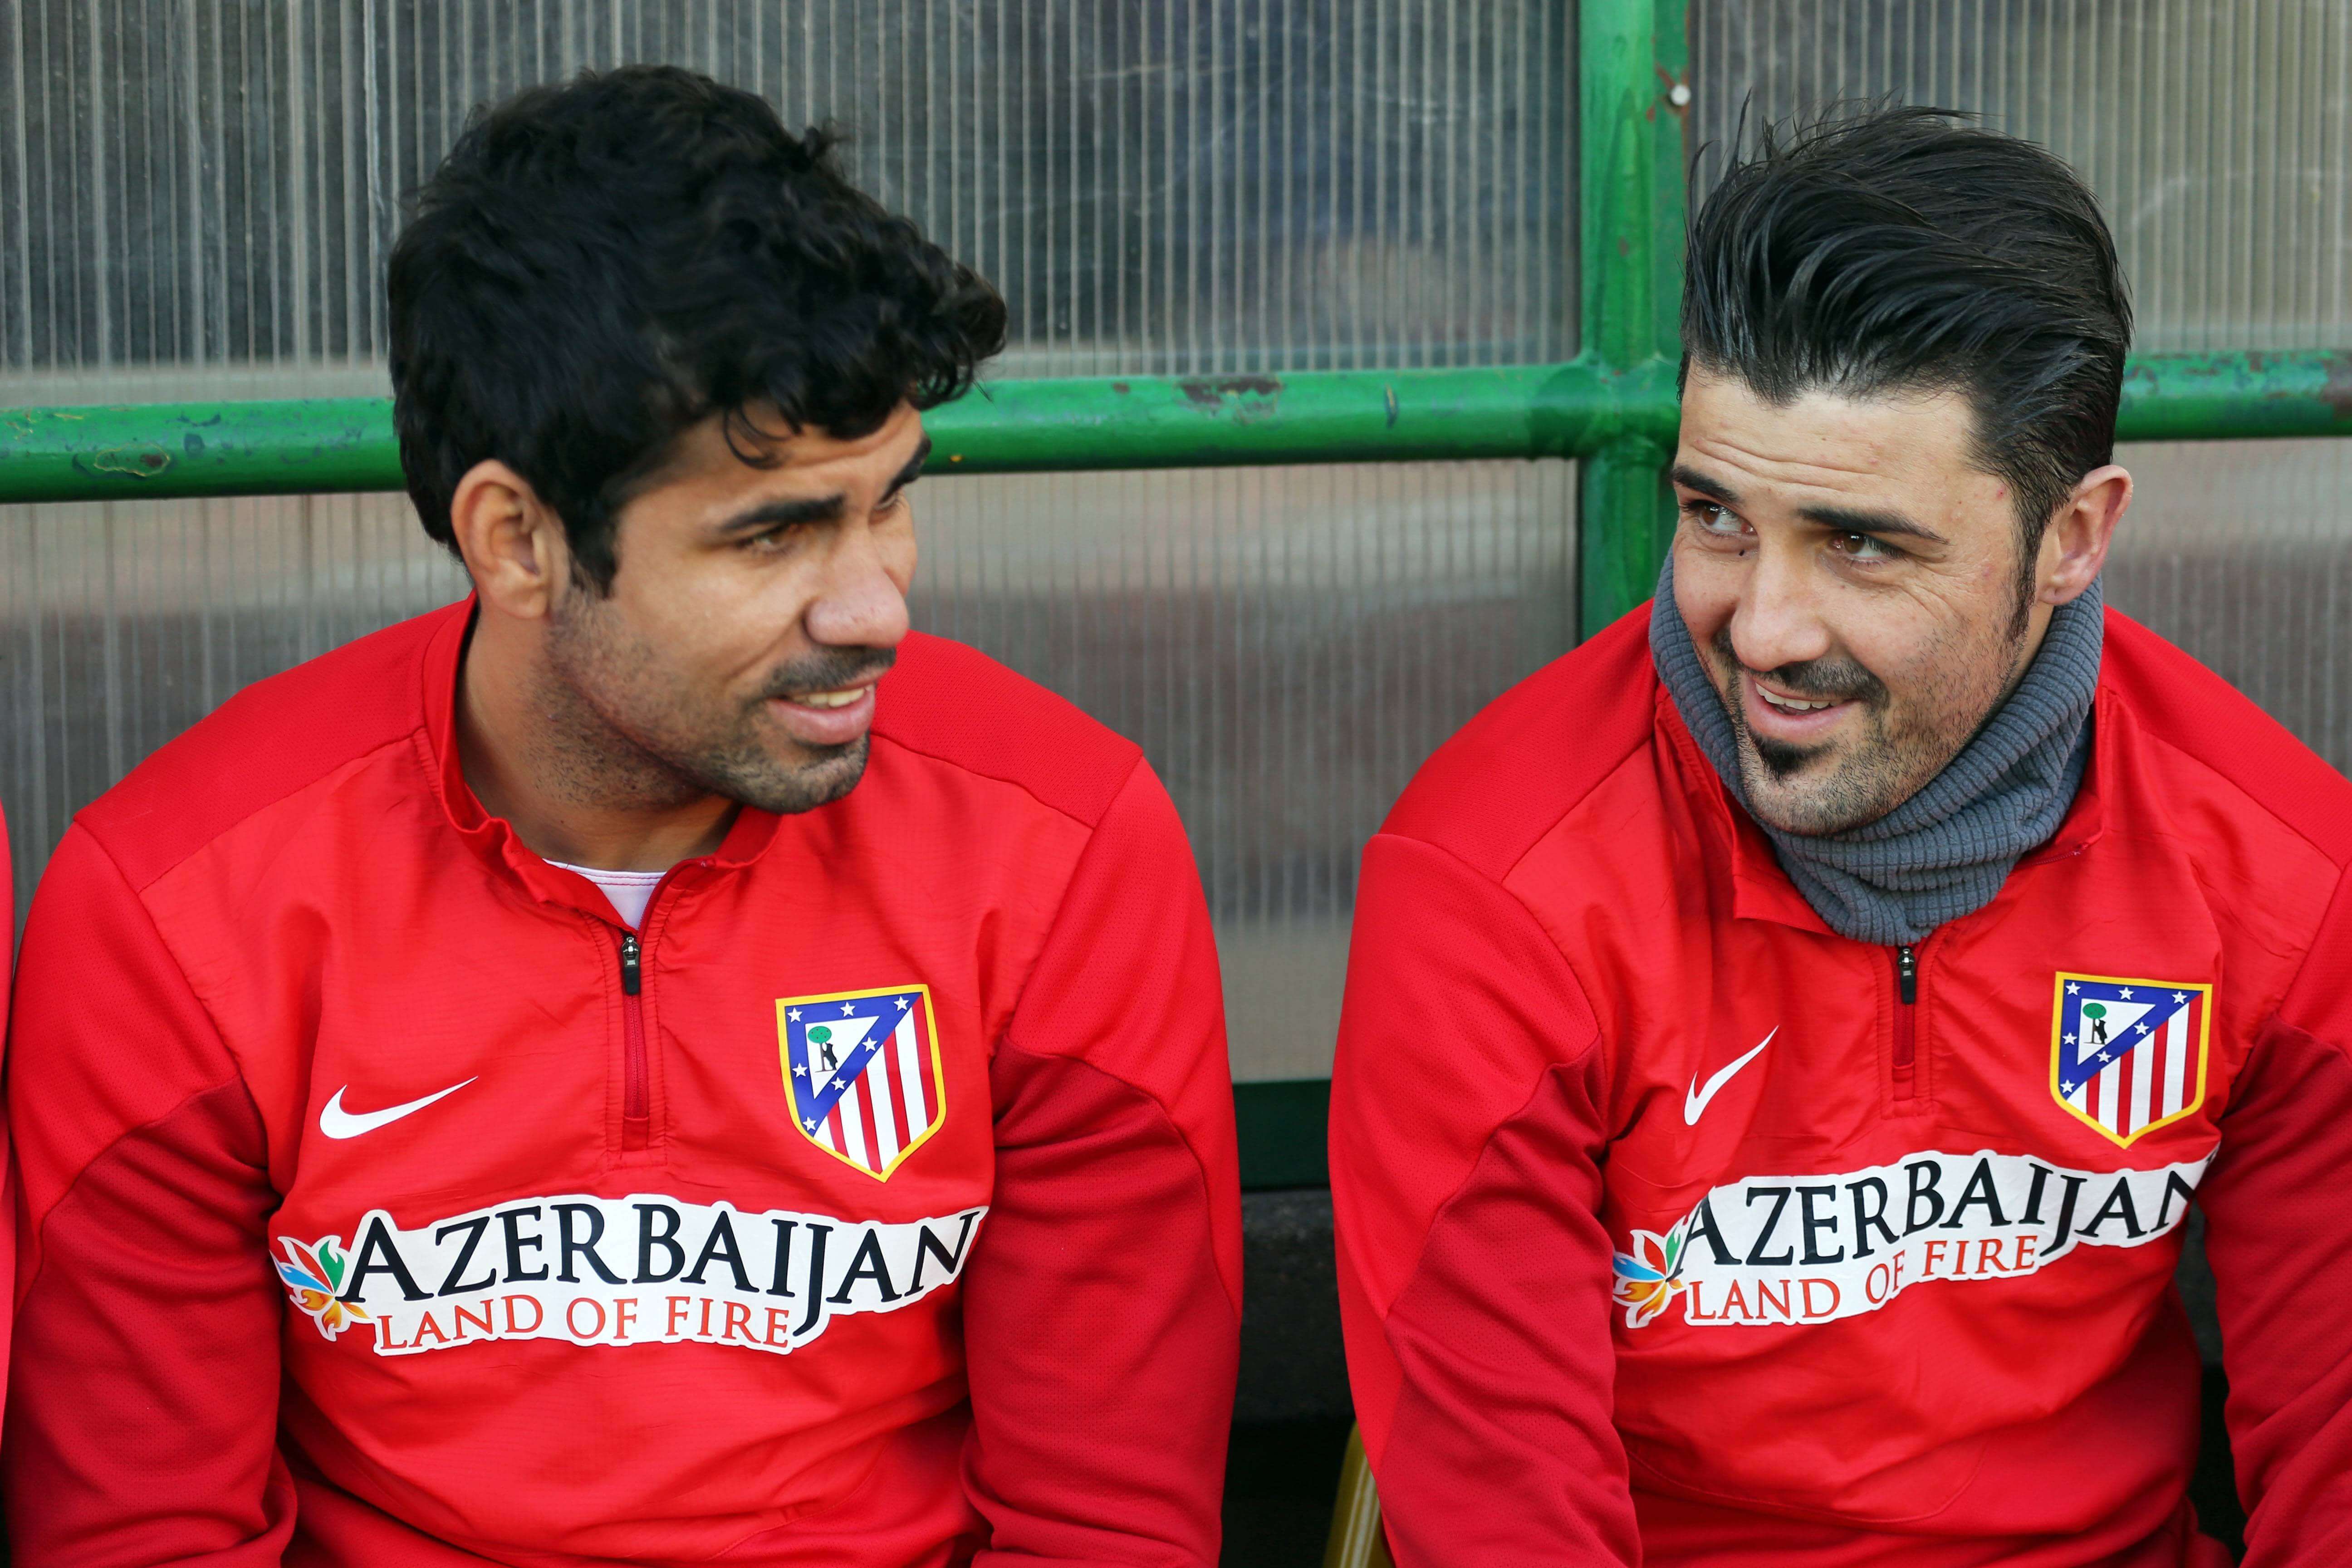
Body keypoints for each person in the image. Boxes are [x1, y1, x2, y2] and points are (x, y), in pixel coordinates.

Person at [5, 67, 1240, 1567]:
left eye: (890, 499)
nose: (876, 604)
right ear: (516, 541)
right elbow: (148, 1536)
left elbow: (1103, 1522)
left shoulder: (1061, 842)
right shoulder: (179, 908)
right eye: (773, 531)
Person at [1330, 107, 2352, 1568]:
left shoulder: (2282, 869)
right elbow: (1504, 1520)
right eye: (1715, 516)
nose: (1763, 627)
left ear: (2074, 537)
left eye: (1862, 541)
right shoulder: (1495, 887)